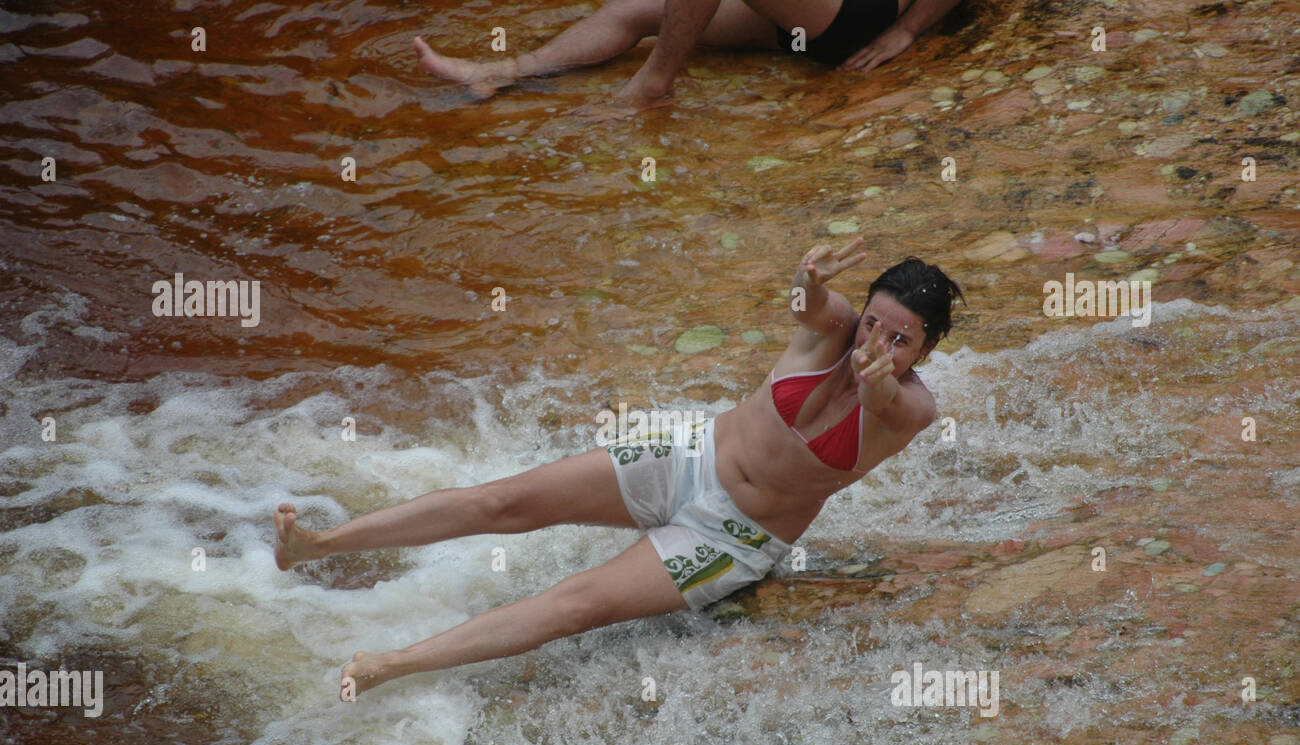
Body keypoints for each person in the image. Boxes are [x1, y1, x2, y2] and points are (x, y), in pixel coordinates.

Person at [271, 237, 964, 699]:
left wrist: (879, 370)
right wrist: (806, 279)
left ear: (925, 352)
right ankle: (319, 544)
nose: (876, 342)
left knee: (578, 605)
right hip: (688, 455)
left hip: (733, 539)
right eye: (874, 322)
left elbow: (877, 393)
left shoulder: (911, 407)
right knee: (506, 502)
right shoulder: (836, 326)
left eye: (900, 339)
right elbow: (809, 304)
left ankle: (387, 666)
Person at [414, 0, 967, 109]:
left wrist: (910, 30)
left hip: (860, 14)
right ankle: (502, 71)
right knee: (628, 11)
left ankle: (657, 80)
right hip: (797, 18)